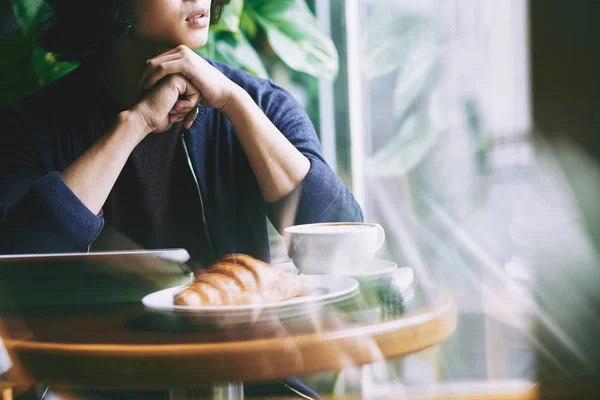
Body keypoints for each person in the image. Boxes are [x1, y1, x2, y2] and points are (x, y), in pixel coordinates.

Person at [0, 0, 363, 398]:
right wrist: (134, 124)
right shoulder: (29, 127)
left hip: (248, 382)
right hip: (96, 387)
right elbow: (21, 264)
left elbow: (342, 247)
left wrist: (235, 103)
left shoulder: (259, 103)